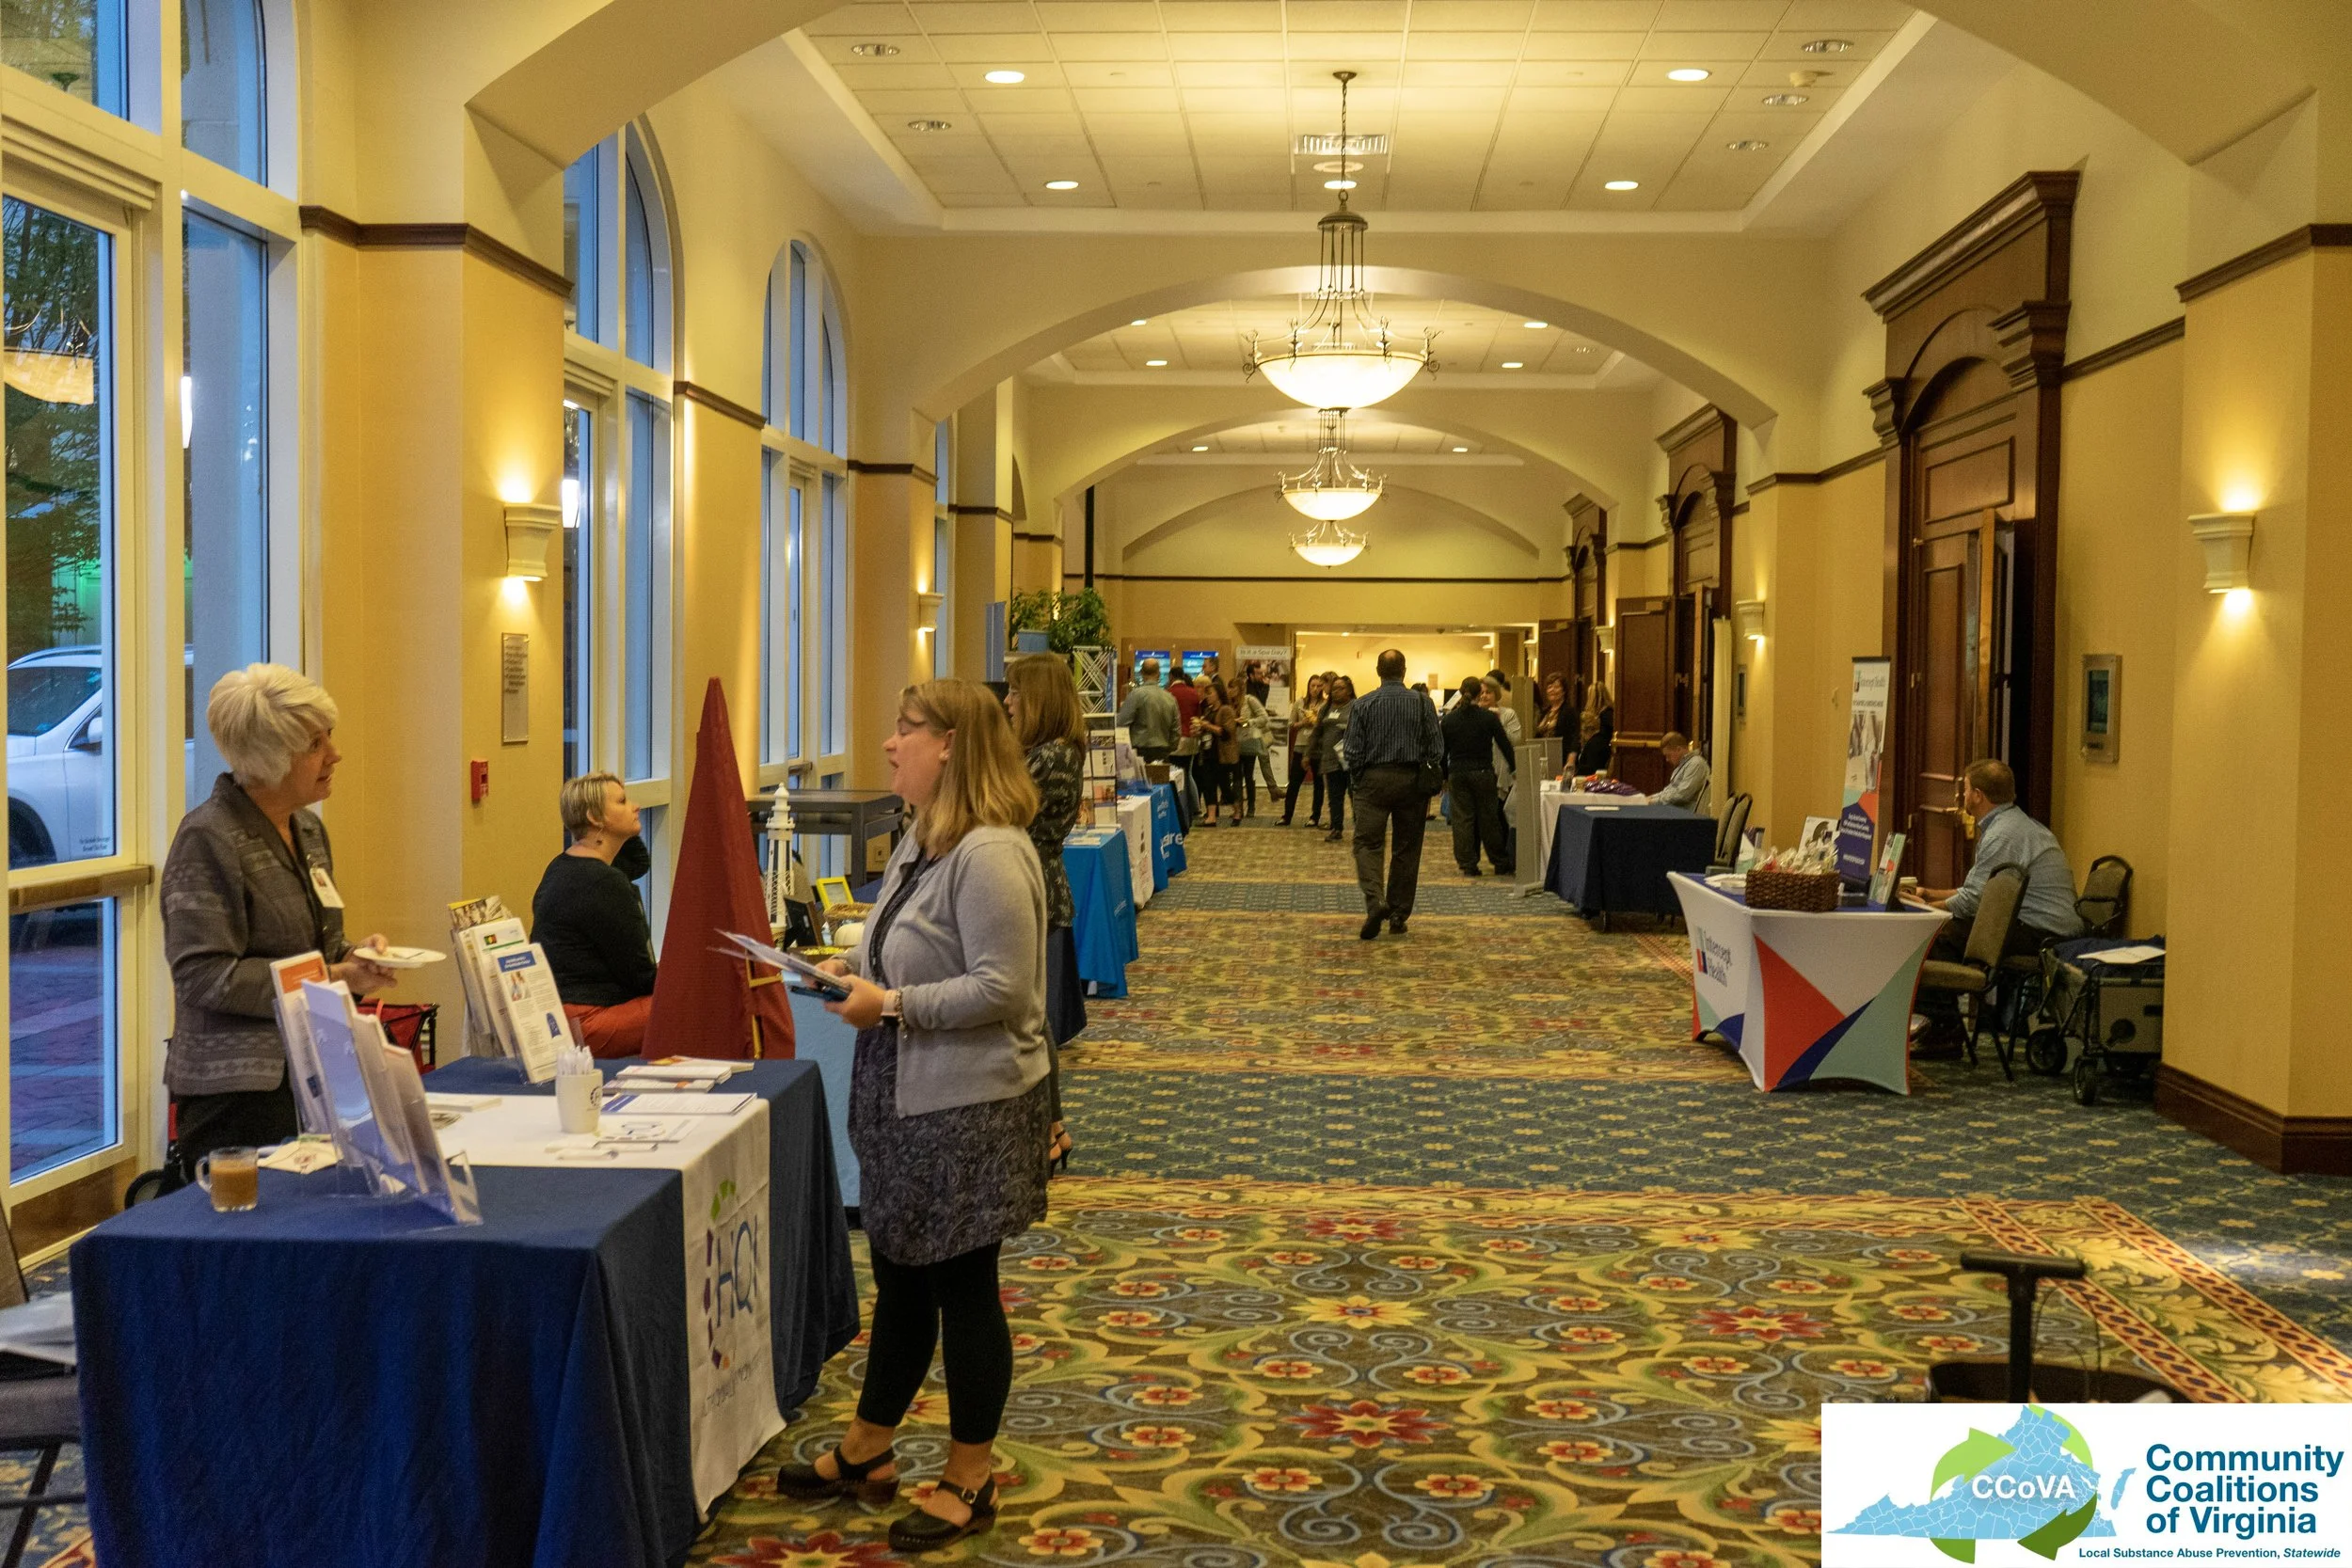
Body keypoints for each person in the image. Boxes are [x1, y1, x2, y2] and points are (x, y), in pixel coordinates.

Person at [779, 678, 1050, 1555]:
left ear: (953, 746)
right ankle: (869, 1446)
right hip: (907, 1098)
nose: (890, 744)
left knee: (963, 1287)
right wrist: (833, 969)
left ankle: (970, 1474)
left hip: (968, 1105)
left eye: (907, 730)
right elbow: (886, 944)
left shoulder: (992, 852)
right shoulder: (922, 841)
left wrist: (890, 1004)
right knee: (898, 1275)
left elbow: (1003, 988)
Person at [162, 664, 396, 1180]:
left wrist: (358, 961)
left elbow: (323, 948)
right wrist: (332, 975)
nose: (334, 754)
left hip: (315, 1069)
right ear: (270, 759)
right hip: (240, 1091)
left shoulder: (307, 829)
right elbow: (204, 977)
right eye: (316, 744)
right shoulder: (209, 838)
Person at [1913, 757, 2086, 1053]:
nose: (1962, 797)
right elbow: (1979, 891)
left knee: (1937, 935)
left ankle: (1944, 1032)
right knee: (1943, 927)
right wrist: (1928, 894)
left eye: (1965, 790)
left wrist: (1926, 911)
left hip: (2041, 931)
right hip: (2031, 922)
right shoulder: (2012, 825)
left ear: (1978, 795)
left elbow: (1975, 901)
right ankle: (1942, 1026)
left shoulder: (2003, 835)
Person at [1005, 655, 1086, 1171]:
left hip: (1031, 891)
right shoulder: (1047, 753)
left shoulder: (1051, 757)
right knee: (1035, 1022)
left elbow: (1004, 813)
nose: (1007, 701)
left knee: (1033, 1024)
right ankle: (1052, 1127)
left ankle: (1050, 1128)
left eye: (1015, 692)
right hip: (1031, 886)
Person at [532, 771, 658, 1055]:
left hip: (559, 1011)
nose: (635, 806)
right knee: (694, 1002)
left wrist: (624, 829)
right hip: (586, 1021)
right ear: (595, 818)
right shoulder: (604, 882)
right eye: (623, 802)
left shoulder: (562, 865)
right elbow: (639, 976)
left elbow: (638, 863)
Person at [1343, 649, 1444, 940]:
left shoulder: (1362, 704)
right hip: (1412, 782)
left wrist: (1360, 777)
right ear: (1404, 670)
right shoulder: (1423, 704)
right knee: (1406, 849)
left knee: (1367, 844)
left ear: (1378, 671)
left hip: (1373, 781)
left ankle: (1375, 900)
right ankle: (1398, 915)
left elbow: (1351, 751)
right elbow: (1436, 749)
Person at [1442, 676, 1516, 877]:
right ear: (1478, 694)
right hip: (1483, 772)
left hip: (1457, 773)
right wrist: (1514, 768)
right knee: (1488, 819)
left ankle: (1468, 864)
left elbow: (1443, 751)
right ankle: (1499, 861)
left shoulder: (1449, 720)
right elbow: (1505, 745)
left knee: (1463, 820)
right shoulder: (1488, 718)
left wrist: (1442, 776)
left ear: (1461, 692)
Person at [1195, 677, 1244, 828]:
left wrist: (1207, 726)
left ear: (1218, 694)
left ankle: (1237, 811)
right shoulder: (1208, 710)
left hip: (1223, 755)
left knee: (1225, 789)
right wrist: (1198, 729)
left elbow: (1227, 733)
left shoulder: (1226, 710)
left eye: (1210, 693)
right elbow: (1206, 730)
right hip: (1209, 753)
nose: (1207, 695)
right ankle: (1211, 817)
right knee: (1208, 786)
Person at [1281, 673, 1328, 827]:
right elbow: (1290, 724)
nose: (1315, 689)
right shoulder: (1299, 703)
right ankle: (1287, 816)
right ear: (1308, 687)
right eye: (1312, 685)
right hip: (1301, 747)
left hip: (1318, 749)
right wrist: (1303, 723)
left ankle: (1315, 817)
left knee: (1318, 784)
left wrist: (1316, 722)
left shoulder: (1326, 704)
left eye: (1318, 686)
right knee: (1294, 783)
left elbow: (1327, 726)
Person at [1313, 675, 1356, 841]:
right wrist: (1308, 753)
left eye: (1341, 688)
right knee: (1334, 797)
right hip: (1331, 759)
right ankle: (1336, 828)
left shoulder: (1355, 706)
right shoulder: (1326, 708)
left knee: (1355, 796)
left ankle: (1359, 828)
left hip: (1350, 760)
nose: (1336, 692)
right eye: (1335, 688)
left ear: (1349, 690)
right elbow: (1317, 732)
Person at [1115, 657, 1179, 764]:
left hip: (1139, 753)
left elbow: (1121, 723)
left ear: (1141, 673)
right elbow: (1176, 730)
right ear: (1158, 674)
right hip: (1163, 753)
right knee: (1160, 779)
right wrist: (1170, 747)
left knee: (1140, 781)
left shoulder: (1135, 695)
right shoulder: (1170, 698)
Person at [1233, 682, 1271, 816]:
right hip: (1234, 744)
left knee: (1248, 775)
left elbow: (1264, 717)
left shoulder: (1250, 700)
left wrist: (1248, 722)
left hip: (1249, 742)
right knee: (1237, 777)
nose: (1231, 692)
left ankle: (1251, 807)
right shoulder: (1229, 702)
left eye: (1234, 689)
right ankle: (1238, 809)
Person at [1652, 731, 1712, 815]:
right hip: (1678, 811)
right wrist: (1651, 798)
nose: (1667, 759)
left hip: (1686, 815)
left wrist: (1653, 801)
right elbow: (1670, 790)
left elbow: (1682, 795)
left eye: (1668, 755)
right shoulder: (1683, 765)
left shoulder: (1696, 764)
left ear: (1678, 749)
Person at [1533, 672, 1571, 740]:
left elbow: (1573, 737)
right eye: (1550, 687)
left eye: (1556, 687)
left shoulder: (1569, 712)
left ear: (1564, 691)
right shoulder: (1544, 712)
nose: (1552, 690)